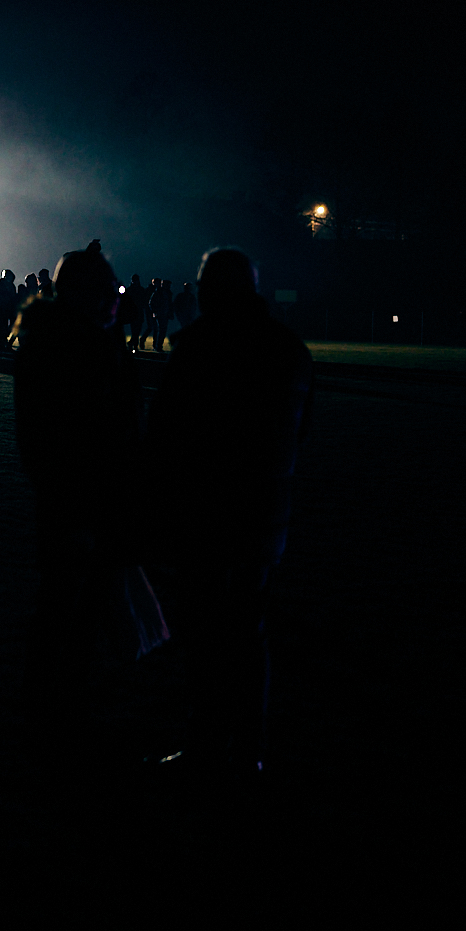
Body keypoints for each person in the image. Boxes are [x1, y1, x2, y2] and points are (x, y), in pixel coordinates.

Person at [147, 248, 314, 775]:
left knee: (203, 637)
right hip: (266, 517)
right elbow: (302, 433)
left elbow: (167, 438)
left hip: (205, 514)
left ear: (209, 289)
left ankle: (204, 744)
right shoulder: (289, 349)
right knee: (248, 633)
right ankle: (248, 751)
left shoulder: (198, 347)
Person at [14, 248, 160, 745]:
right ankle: (58, 718)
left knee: (72, 612)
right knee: (71, 613)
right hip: (84, 504)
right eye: (110, 291)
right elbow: (76, 438)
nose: (118, 301)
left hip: (84, 503)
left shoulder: (65, 340)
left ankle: (58, 713)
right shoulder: (74, 347)